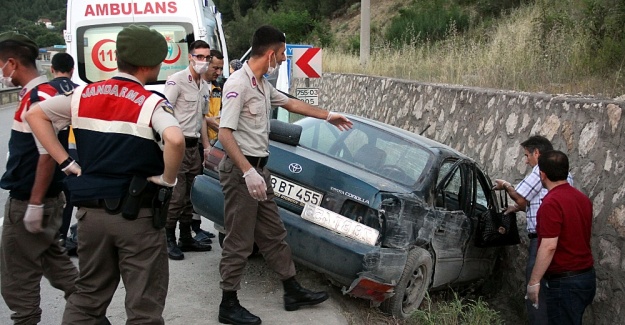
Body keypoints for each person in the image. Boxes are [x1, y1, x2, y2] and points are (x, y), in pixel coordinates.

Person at [25, 24, 185, 324]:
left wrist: (65, 163)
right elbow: (175, 139)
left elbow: (35, 114)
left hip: (90, 216)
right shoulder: (151, 102)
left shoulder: (81, 94)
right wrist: (168, 179)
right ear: (150, 65)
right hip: (137, 216)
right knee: (144, 306)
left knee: (88, 297)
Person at [217, 25, 352, 325]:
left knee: (274, 233)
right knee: (239, 240)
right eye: (280, 54)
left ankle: (292, 291)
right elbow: (225, 133)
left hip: (258, 171)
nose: (281, 59)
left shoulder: (262, 84)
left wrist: (328, 116)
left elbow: (291, 103)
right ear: (269, 53)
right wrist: (248, 171)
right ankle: (228, 303)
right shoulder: (238, 84)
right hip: (243, 173)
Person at [0, 31, 79, 325]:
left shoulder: (39, 96)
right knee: (55, 264)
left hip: (31, 199)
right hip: (41, 198)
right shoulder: (38, 94)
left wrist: (34, 203)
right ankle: (91, 315)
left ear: (11, 63)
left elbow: (46, 153)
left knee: (16, 276)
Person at [493, 135, 573, 325]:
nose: (526, 160)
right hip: (562, 241)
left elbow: (521, 197)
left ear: (537, 153)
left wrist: (505, 186)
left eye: (527, 155)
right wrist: (518, 208)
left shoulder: (542, 170)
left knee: (535, 289)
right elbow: (534, 202)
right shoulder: (564, 174)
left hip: (542, 239)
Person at [527, 150, 595, 325]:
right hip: (586, 276)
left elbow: (549, 246)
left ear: (542, 174)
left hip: (565, 281)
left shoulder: (551, 203)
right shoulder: (582, 199)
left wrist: (534, 282)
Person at [163, 40, 213, 260]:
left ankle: (185, 237)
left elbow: (202, 118)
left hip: (194, 147)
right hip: (178, 145)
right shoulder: (177, 81)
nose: (203, 61)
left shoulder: (205, 86)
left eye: (207, 57)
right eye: (199, 57)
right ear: (190, 57)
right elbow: (164, 111)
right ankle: (167, 239)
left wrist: (207, 146)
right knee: (176, 195)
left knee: (190, 195)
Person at [190, 48, 226, 243]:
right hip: (198, 143)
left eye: (221, 68)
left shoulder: (217, 87)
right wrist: (218, 123)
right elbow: (204, 118)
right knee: (194, 185)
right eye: (215, 68)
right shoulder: (199, 86)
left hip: (214, 142)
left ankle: (197, 228)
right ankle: (192, 229)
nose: (218, 72)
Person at [45, 52, 79, 250]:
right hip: (72, 155)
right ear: (72, 71)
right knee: (67, 199)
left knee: (48, 199)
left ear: (52, 69)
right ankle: (61, 237)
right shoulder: (79, 91)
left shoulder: (45, 91)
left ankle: (47, 239)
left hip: (49, 153)